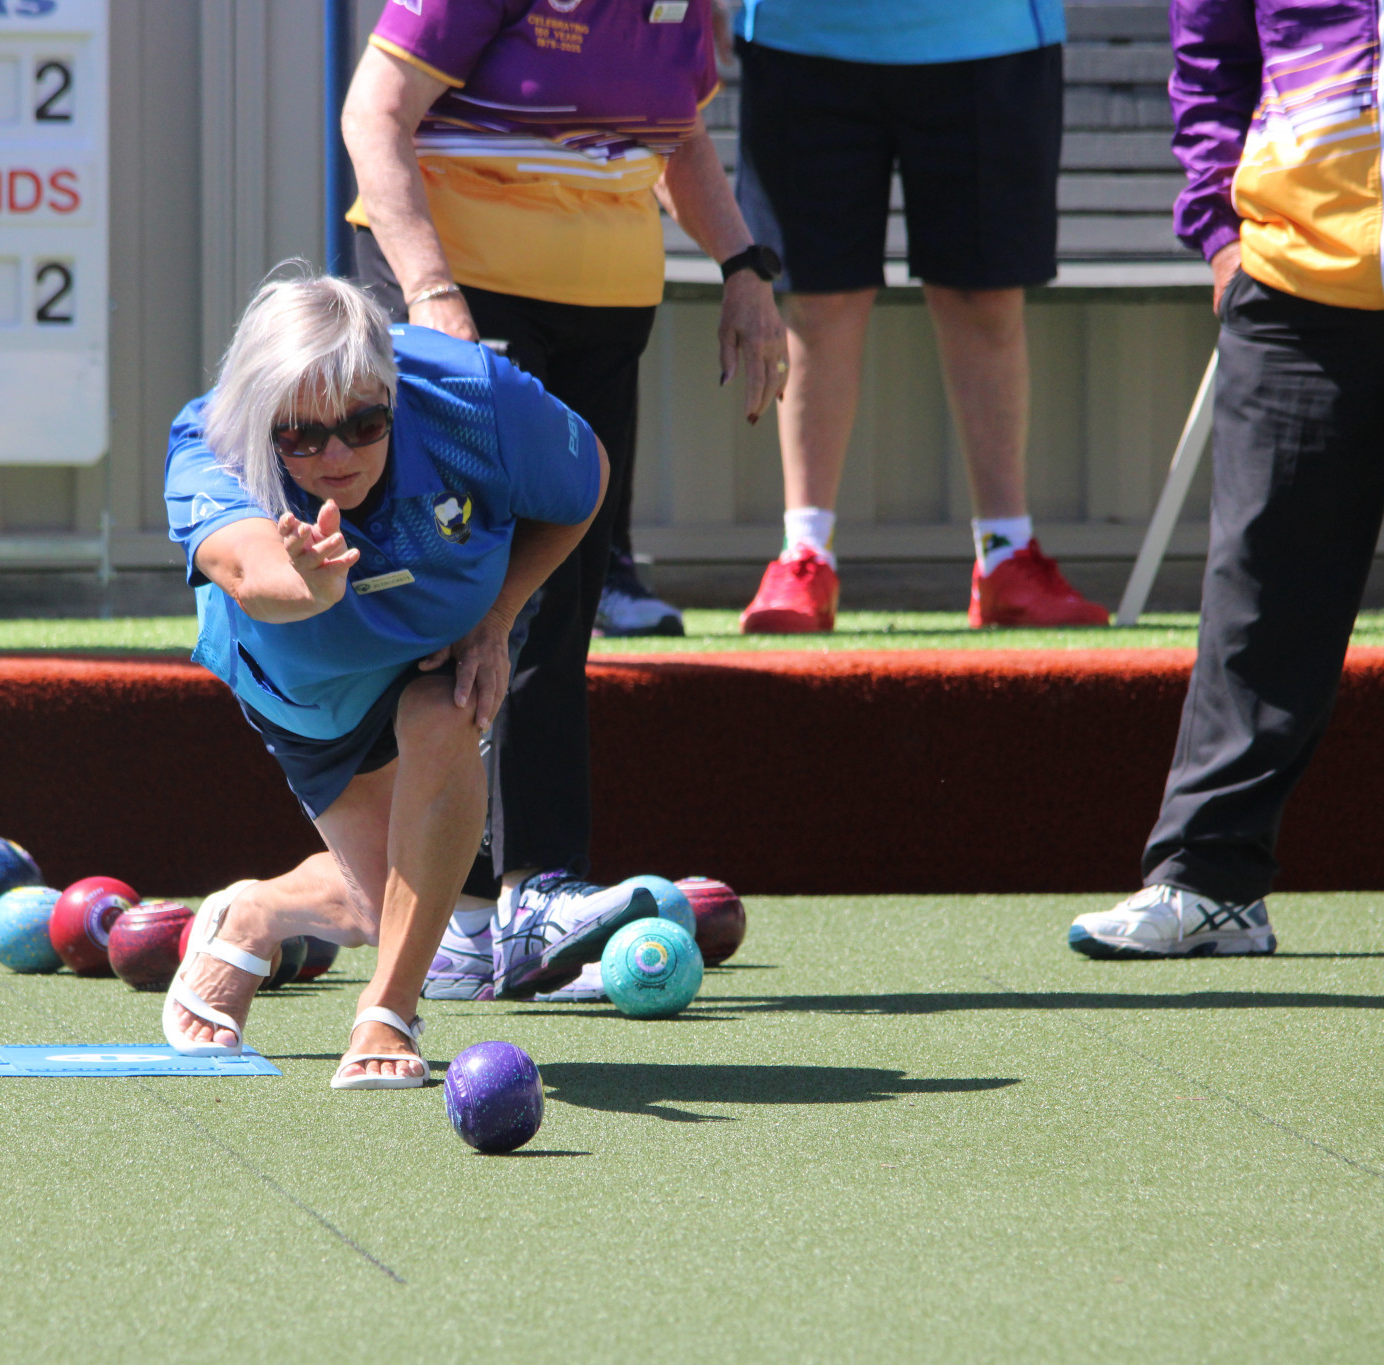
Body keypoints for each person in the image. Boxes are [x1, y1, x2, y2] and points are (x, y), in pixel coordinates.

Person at [340, 0, 788, 1001]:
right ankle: (450, 912)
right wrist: (431, 299)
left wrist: (743, 265)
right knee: (468, 595)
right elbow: (372, 114)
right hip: (462, 298)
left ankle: (529, 895)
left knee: (563, 594)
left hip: (602, 319)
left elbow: (676, 141)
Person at [1067, 0, 1384, 960]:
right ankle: (1208, 879)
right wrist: (1221, 238)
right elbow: (1208, 54)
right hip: (1296, 275)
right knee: (1259, 591)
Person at [162, 272, 660, 1087]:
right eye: (304, 437)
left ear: (391, 391)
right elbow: (250, 573)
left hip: (444, 645)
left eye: (364, 424)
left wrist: (498, 618)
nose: (336, 454)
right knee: (402, 907)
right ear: (265, 423)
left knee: (443, 720)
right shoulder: (213, 442)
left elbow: (585, 480)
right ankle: (254, 911)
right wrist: (311, 587)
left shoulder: (475, 399)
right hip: (309, 688)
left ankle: (387, 1014)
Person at [730, 0, 1110, 633]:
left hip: (992, 33)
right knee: (818, 302)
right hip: (800, 34)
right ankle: (805, 555)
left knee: (983, 297)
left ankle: (1007, 554)